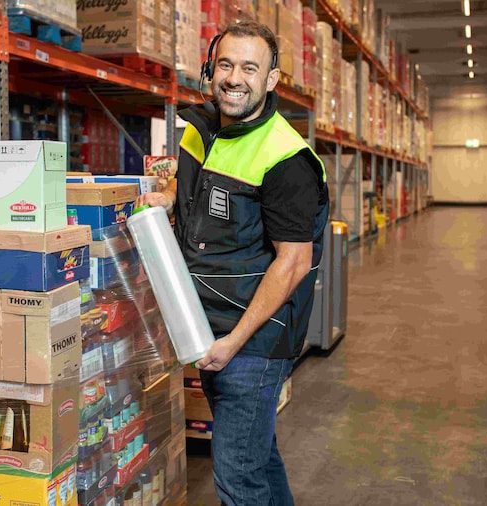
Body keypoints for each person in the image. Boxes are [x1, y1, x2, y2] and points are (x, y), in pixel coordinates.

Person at [136, 21, 330, 505]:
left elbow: (294, 262)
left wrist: (234, 342)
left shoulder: (286, 158)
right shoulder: (201, 131)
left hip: (253, 340)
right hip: (209, 326)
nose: (234, 78)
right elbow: (194, 196)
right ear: (210, 68)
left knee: (238, 478)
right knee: (258, 457)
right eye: (225, 64)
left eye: (250, 67)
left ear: (271, 79)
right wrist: (166, 201)